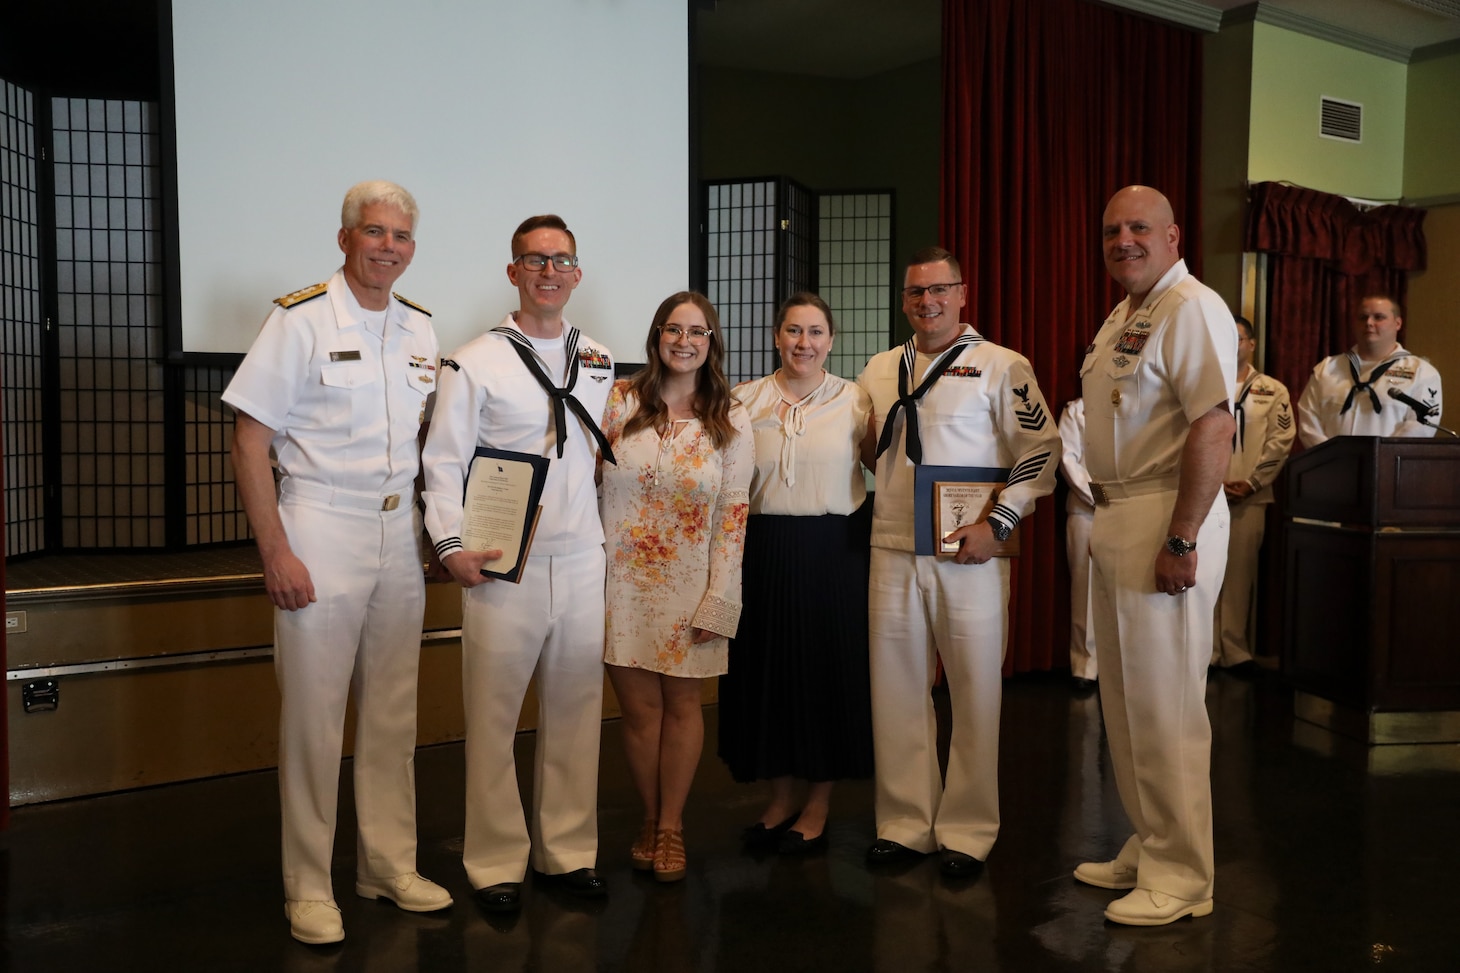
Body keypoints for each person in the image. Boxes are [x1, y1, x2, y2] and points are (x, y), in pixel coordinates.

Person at [224, 180, 452, 945]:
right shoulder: (299, 320)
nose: (388, 246)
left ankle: (385, 865)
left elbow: (427, 448)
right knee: (315, 721)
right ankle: (309, 884)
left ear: (411, 249)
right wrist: (276, 550)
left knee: (393, 715)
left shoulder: (420, 328)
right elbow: (249, 442)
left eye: (401, 236)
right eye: (374, 231)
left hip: (396, 534)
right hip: (318, 525)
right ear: (346, 237)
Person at [421, 215, 615, 912]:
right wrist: (450, 545)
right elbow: (442, 461)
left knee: (576, 711)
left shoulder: (596, 358)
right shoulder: (474, 359)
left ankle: (566, 853)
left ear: (576, 272)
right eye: (534, 260)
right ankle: (496, 861)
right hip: (505, 564)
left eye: (561, 259)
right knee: (496, 715)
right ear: (513, 271)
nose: (548, 271)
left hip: (581, 557)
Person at [857, 247, 1060, 879]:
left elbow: (1043, 449)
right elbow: (868, 453)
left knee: (975, 691)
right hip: (891, 547)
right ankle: (904, 823)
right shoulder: (881, 367)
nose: (928, 302)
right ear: (905, 300)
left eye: (939, 290)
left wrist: (998, 523)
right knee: (895, 691)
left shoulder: (1003, 366)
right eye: (916, 293)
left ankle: (969, 831)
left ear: (963, 294)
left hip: (966, 553)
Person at [1075, 185, 1236, 926]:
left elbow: (1211, 423)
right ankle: (1152, 838)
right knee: (1128, 703)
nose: (1124, 239)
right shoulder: (1126, 315)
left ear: (1175, 235)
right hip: (1118, 510)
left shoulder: (1192, 306)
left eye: (1139, 226)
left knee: (1167, 704)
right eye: (1112, 229)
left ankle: (1184, 875)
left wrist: (1183, 535)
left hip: (1166, 510)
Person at [600, 291, 753, 883]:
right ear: (656, 336)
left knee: (683, 707)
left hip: (694, 587)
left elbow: (733, 515)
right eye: (673, 329)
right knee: (638, 714)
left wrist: (722, 597)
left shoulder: (731, 417)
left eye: (697, 331)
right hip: (621, 585)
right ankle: (648, 817)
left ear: (711, 341)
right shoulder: (618, 402)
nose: (684, 341)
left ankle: (671, 827)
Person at [717, 293, 875, 854]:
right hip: (762, 550)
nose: (803, 343)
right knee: (768, 674)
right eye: (792, 331)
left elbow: (890, 464)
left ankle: (819, 803)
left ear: (830, 341)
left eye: (814, 332)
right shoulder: (742, 400)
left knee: (826, 675)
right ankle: (780, 798)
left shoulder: (858, 401)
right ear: (776, 336)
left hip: (834, 552)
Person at [1213, 316, 1294, 675]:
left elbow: (1281, 441)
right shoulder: (1203, 384)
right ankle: (1206, 652)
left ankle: (1234, 648)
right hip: (1205, 496)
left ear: (1251, 344)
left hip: (1250, 496)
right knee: (1203, 573)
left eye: (1239, 338)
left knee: (1239, 573)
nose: (1233, 344)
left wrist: (1253, 483)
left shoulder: (1272, 390)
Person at [1296, 295, 1444, 447]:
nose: (1369, 323)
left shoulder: (1422, 372)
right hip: (1331, 466)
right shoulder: (1327, 369)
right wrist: (1332, 458)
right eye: (1363, 317)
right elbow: (1308, 423)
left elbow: (1420, 426)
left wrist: (1382, 458)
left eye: (1379, 317)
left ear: (1398, 323)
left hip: (1389, 467)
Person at [1057, 396, 1098, 691]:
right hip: (1088, 511)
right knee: (1085, 591)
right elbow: (1068, 459)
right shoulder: (1078, 410)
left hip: (1134, 512)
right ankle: (1086, 664)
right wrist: (1105, 499)